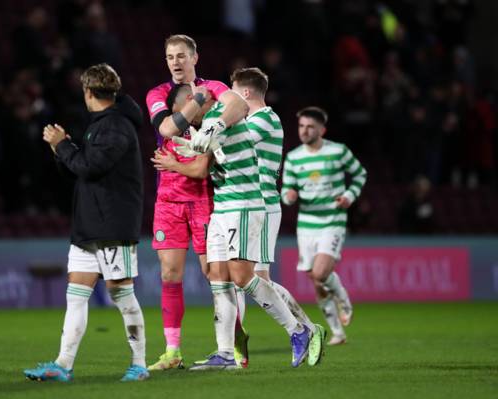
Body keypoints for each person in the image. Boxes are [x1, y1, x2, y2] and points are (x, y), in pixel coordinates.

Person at [154, 87, 312, 370]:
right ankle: (225, 353)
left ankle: (298, 330)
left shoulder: (220, 115)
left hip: (244, 202)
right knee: (219, 278)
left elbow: (207, 141)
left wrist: (184, 149)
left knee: (242, 277)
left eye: (186, 115)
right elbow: (206, 148)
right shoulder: (207, 123)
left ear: (194, 102)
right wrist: (190, 144)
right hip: (223, 206)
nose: (187, 122)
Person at [23, 63, 148, 382]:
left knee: (121, 294)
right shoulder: (102, 125)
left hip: (112, 225)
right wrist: (60, 148)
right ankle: (62, 365)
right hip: (90, 225)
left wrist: (64, 145)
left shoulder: (116, 126)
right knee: (75, 295)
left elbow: (91, 167)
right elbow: (81, 168)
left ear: (89, 92)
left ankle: (139, 364)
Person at [145, 34, 250, 371]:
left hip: (205, 196)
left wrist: (216, 117)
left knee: (213, 274)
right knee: (169, 273)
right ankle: (172, 351)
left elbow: (240, 105)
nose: (175, 62)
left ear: (194, 57)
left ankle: (235, 343)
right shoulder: (158, 94)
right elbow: (164, 128)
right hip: (168, 200)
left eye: (181, 56)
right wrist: (199, 100)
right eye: (169, 57)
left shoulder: (216, 86)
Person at [230, 67, 325, 365]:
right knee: (254, 278)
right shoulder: (257, 120)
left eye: (233, 91)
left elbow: (235, 144)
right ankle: (307, 329)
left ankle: (305, 329)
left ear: (245, 93)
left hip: (263, 204)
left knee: (253, 278)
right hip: (255, 204)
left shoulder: (264, 120)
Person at [281, 107, 367, 345]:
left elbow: (360, 174)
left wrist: (349, 195)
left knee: (320, 273)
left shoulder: (338, 151)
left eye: (310, 126)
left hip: (332, 219)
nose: (304, 131)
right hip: (307, 223)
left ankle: (344, 299)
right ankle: (337, 332)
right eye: (301, 126)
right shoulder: (294, 157)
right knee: (317, 280)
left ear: (322, 129)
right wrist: (288, 196)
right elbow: (286, 192)